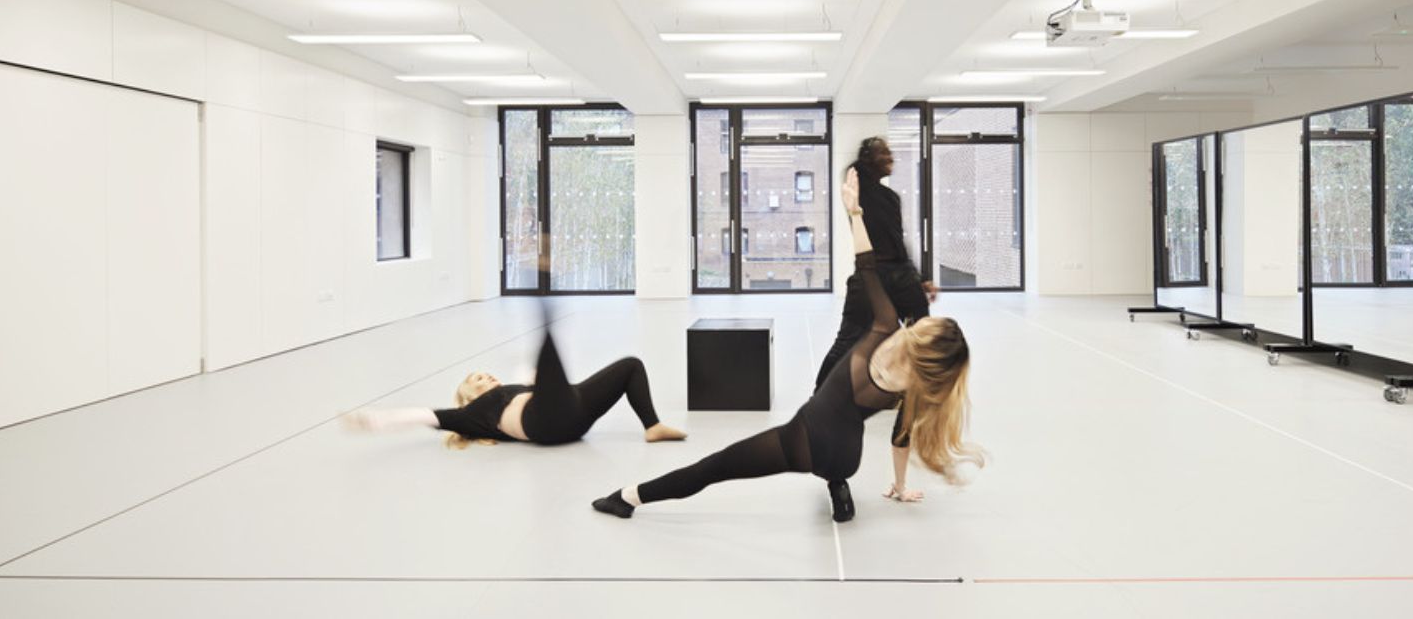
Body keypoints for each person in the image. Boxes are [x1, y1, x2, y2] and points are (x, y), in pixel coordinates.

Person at [591, 167, 980, 522]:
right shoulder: (914, 389)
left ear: (922, 333)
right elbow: (901, 438)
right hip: (849, 457)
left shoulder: (883, 325)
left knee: (714, 467)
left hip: (804, 441)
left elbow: (866, 262)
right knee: (836, 461)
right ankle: (838, 486)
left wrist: (854, 211)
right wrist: (897, 487)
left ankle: (626, 497)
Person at [812, 136, 938, 517]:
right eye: (884, 154)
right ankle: (822, 395)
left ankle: (897, 407)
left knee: (919, 352)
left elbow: (899, 245)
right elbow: (876, 237)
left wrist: (920, 279)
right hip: (877, 277)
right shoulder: (859, 188)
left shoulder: (889, 197)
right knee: (850, 342)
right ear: (869, 160)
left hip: (892, 277)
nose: (892, 159)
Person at [343, 330, 686, 448]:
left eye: (485, 374)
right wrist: (375, 420)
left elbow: (528, 376)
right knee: (546, 364)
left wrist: (529, 370)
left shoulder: (511, 389)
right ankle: (544, 306)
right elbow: (423, 415)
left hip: (574, 412)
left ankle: (652, 426)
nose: (487, 378)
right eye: (477, 380)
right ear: (470, 395)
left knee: (630, 365)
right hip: (547, 422)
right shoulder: (470, 416)